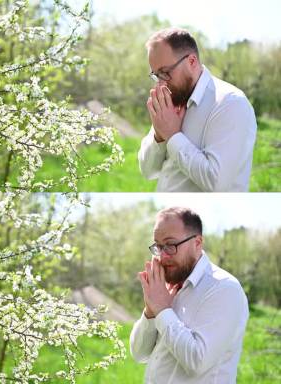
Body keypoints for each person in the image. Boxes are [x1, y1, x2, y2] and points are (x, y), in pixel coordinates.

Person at [130, 207, 248, 383]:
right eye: (158, 246)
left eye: (170, 245)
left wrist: (162, 309)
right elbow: (139, 354)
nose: (162, 256)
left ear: (197, 243)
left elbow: (197, 362)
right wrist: (151, 311)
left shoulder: (224, 288)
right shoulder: (169, 287)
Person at [138, 28, 257, 191]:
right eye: (156, 75)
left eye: (165, 72)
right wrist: (160, 135)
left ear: (192, 61)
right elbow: (148, 171)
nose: (160, 83)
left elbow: (217, 184)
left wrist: (172, 136)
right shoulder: (172, 99)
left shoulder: (230, 103)